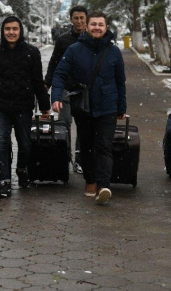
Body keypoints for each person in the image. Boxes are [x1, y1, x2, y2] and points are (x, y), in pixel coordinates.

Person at [51, 11, 126, 205]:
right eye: (93, 24)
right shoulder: (74, 49)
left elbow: (120, 81)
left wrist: (121, 107)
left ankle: (103, 186)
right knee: (86, 146)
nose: (97, 28)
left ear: (106, 27)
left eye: (101, 25)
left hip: (107, 107)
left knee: (104, 146)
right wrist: (56, 96)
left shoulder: (114, 52)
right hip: (83, 107)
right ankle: (90, 180)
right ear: (87, 26)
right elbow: (59, 74)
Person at [0, 16, 51, 199]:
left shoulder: (32, 52)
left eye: (15, 29)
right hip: (1, 106)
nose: (11, 32)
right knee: (1, 142)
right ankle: (4, 183)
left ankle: (22, 169)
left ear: (20, 31)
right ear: (2, 31)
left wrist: (45, 106)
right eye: (7, 29)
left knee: (25, 144)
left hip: (23, 106)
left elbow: (37, 81)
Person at [45, 5, 88, 174]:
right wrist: (47, 83)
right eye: (76, 18)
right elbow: (54, 63)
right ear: (71, 20)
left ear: (86, 19)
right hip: (65, 88)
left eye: (82, 18)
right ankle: (65, 155)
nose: (79, 21)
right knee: (64, 123)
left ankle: (79, 159)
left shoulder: (92, 38)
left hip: (84, 90)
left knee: (83, 125)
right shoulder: (63, 40)